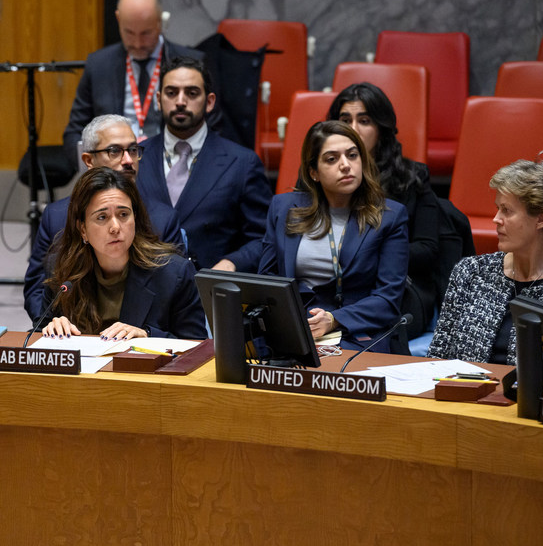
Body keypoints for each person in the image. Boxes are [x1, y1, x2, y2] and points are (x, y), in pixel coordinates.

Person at [429, 160, 543, 374]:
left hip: (540, 405)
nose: (495, 219)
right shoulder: (470, 272)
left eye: (507, 211)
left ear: (542, 219)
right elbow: (437, 360)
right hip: (464, 402)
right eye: (497, 209)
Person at [258, 121, 409, 350]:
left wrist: (333, 319)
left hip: (356, 333)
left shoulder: (390, 216)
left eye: (352, 155)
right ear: (314, 173)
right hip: (294, 328)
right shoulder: (283, 208)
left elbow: (387, 300)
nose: (346, 165)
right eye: (331, 159)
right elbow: (267, 280)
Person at [24, 114, 181, 321]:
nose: (127, 160)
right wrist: (50, 323)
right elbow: (38, 289)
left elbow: (176, 295)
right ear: (89, 160)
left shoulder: (163, 218)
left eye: (133, 150)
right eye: (114, 151)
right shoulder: (56, 216)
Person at [327, 82, 440, 337]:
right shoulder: (319, 177)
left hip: (394, 290)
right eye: (345, 120)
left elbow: (428, 249)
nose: (353, 129)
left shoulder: (412, 176)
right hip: (331, 288)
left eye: (364, 120)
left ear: (381, 128)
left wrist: (369, 253)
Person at [137, 56, 271, 271]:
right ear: (158, 100)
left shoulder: (242, 163)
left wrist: (233, 263)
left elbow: (264, 238)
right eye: (172, 93)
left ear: (209, 102)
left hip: (212, 289)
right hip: (147, 287)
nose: (180, 101)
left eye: (191, 93)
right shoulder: (135, 158)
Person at [40, 167, 206, 340]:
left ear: (135, 217)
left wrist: (148, 335)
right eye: (102, 217)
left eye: (123, 214)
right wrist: (52, 328)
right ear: (83, 230)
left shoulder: (174, 274)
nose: (115, 227)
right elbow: (36, 334)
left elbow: (196, 347)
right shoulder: (63, 270)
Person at [62, 0, 206, 166]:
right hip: (114, 169)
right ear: (118, 19)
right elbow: (74, 133)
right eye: (129, 33)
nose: (137, 43)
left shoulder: (192, 65)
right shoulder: (98, 65)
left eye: (146, 33)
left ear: (162, 22)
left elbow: (211, 129)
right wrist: (94, 167)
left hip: (171, 166)